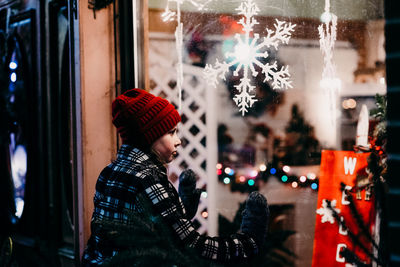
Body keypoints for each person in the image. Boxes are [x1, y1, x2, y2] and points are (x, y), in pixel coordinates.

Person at [82, 88, 269, 266]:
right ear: (149, 136)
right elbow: (191, 246)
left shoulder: (109, 171)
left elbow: (130, 229)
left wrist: (180, 211)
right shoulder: (148, 179)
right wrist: (246, 242)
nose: (178, 140)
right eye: (171, 132)